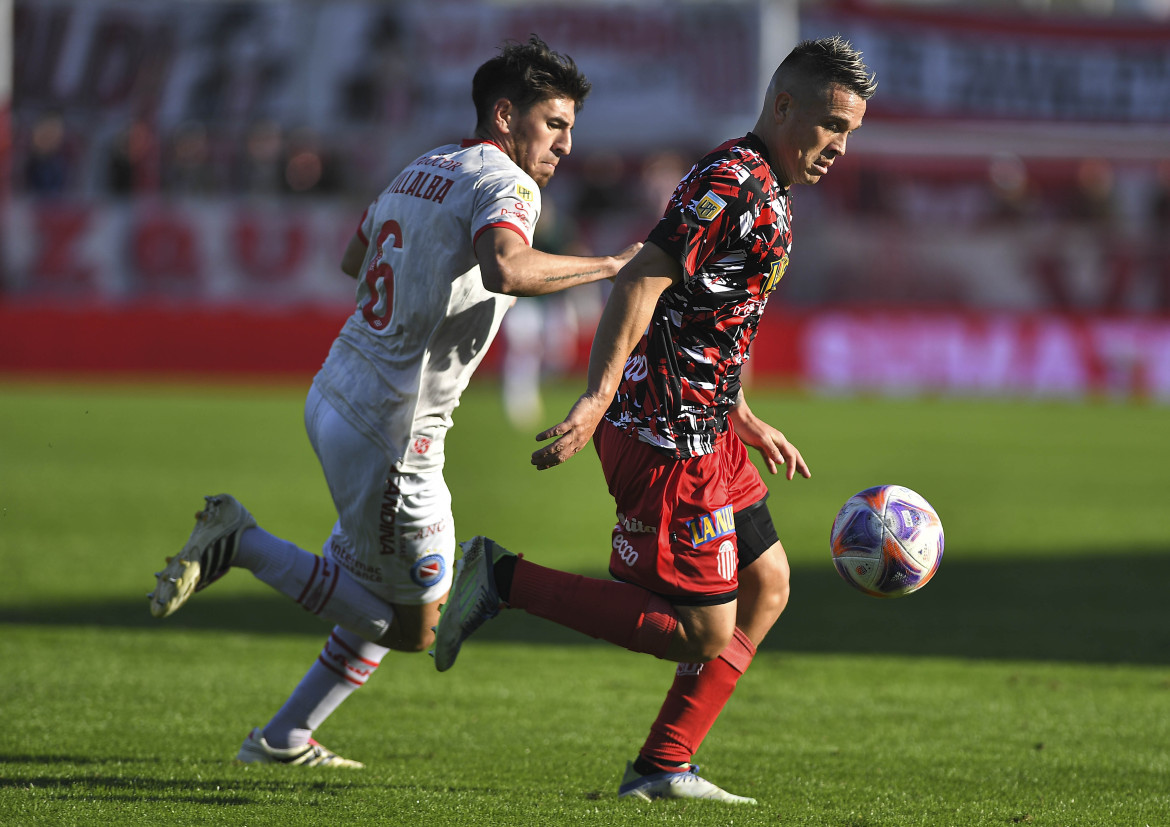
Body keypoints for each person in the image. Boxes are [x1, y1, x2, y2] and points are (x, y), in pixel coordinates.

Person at [148, 35, 638, 768]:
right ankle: (241, 540)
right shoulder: (509, 183)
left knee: (377, 588)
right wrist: (609, 265)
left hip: (336, 391)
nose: (567, 144)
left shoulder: (423, 165)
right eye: (555, 123)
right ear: (506, 115)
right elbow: (506, 267)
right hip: (392, 432)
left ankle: (284, 737)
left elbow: (355, 259)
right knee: (415, 626)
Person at [434, 36, 876, 804]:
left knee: (769, 585)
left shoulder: (770, 187)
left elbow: (709, 313)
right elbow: (642, 282)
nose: (840, 146)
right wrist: (596, 399)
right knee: (705, 628)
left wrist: (743, 413)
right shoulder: (732, 182)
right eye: (832, 125)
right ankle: (502, 577)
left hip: (708, 423)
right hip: (663, 429)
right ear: (783, 106)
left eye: (851, 132)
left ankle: (664, 765)